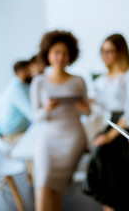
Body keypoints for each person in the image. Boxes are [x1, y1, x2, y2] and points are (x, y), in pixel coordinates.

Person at [83, 34, 129, 211]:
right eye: (102, 51)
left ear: (120, 52)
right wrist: (87, 103)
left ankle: (113, 204)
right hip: (114, 124)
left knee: (109, 158)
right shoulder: (106, 77)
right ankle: (110, 205)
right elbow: (102, 105)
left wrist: (108, 136)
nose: (104, 55)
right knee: (99, 154)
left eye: (109, 51)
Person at [30, 30, 91, 211]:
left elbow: (89, 112)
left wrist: (85, 109)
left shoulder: (79, 81)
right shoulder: (39, 82)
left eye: (65, 53)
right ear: (48, 54)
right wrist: (47, 109)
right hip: (49, 136)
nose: (60, 57)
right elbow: (35, 117)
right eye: (56, 52)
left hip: (73, 137)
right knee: (43, 181)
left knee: (56, 188)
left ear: (71, 55)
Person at [0, 60, 33, 145]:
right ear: (22, 72)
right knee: (38, 143)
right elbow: (32, 113)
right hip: (12, 136)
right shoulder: (17, 89)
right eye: (29, 70)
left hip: (19, 132)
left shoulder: (20, 86)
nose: (32, 74)